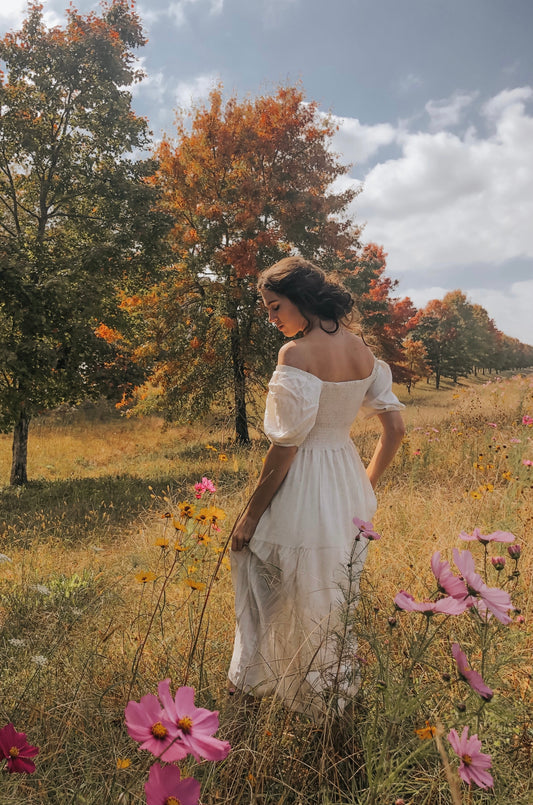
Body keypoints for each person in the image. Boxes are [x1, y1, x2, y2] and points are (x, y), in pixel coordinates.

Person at [228, 256, 405, 719]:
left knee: (264, 584)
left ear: (301, 298)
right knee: (330, 594)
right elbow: (396, 431)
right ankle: (331, 701)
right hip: (346, 483)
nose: (271, 319)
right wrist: (364, 488)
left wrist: (249, 516)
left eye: (275, 307)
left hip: (302, 482)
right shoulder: (363, 352)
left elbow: (286, 445)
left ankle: (249, 694)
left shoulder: (296, 355)